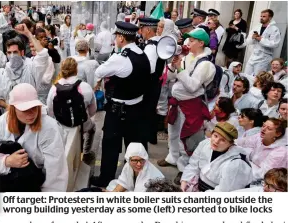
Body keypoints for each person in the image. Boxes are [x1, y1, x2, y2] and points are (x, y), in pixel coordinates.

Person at [91, 21, 151, 187]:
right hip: (137, 109)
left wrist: (99, 80)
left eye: (117, 36)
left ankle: (106, 179)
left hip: (119, 111)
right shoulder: (142, 53)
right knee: (135, 146)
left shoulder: (120, 58)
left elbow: (99, 71)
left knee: (110, 146)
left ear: (121, 38)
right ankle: (134, 179)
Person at [157, 28, 215, 185]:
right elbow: (168, 78)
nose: (188, 43)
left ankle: (184, 169)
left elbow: (192, 86)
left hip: (191, 106)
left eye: (192, 40)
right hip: (177, 103)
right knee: (173, 133)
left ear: (201, 43)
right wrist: (173, 65)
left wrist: (180, 69)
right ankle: (173, 157)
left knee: (186, 138)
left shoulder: (206, 64)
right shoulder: (187, 57)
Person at [0, 83, 68, 192]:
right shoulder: (1, 123)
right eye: (25, 109)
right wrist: (6, 161)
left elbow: (56, 172)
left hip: (36, 185)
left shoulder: (50, 128)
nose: (31, 113)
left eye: (34, 107)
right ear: (13, 108)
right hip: (8, 184)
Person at [47, 58, 97, 163]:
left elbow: (50, 112)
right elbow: (93, 110)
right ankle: (86, 152)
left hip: (62, 124)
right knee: (92, 127)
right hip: (82, 123)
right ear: (76, 70)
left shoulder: (54, 89)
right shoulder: (85, 87)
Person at [0, 24, 49, 114]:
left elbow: (43, 55)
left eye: (15, 52)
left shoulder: (31, 67)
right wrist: (8, 107)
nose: (12, 55)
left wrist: (28, 34)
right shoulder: (1, 74)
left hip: (31, 114)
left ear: (22, 52)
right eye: (9, 53)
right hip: (10, 117)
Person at [180, 122, 253, 192]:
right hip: (199, 185)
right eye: (215, 136)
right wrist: (185, 180)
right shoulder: (205, 144)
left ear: (231, 144)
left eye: (223, 140)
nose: (216, 141)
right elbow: (193, 165)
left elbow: (223, 192)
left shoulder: (236, 164)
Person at [236, 118, 287, 183]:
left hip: (269, 182)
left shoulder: (280, 152)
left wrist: (242, 173)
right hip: (252, 170)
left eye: (269, 128)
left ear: (278, 134)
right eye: (263, 126)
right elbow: (243, 142)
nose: (263, 129)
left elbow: (264, 174)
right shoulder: (259, 137)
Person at [244, 9, 281, 76]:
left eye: (264, 16)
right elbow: (248, 41)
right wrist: (253, 38)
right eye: (261, 16)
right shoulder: (256, 27)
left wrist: (261, 39)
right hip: (254, 55)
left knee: (258, 77)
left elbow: (275, 44)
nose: (261, 18)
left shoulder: (274, 29)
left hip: (264, 57)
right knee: (246, 75)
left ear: (270, 17)